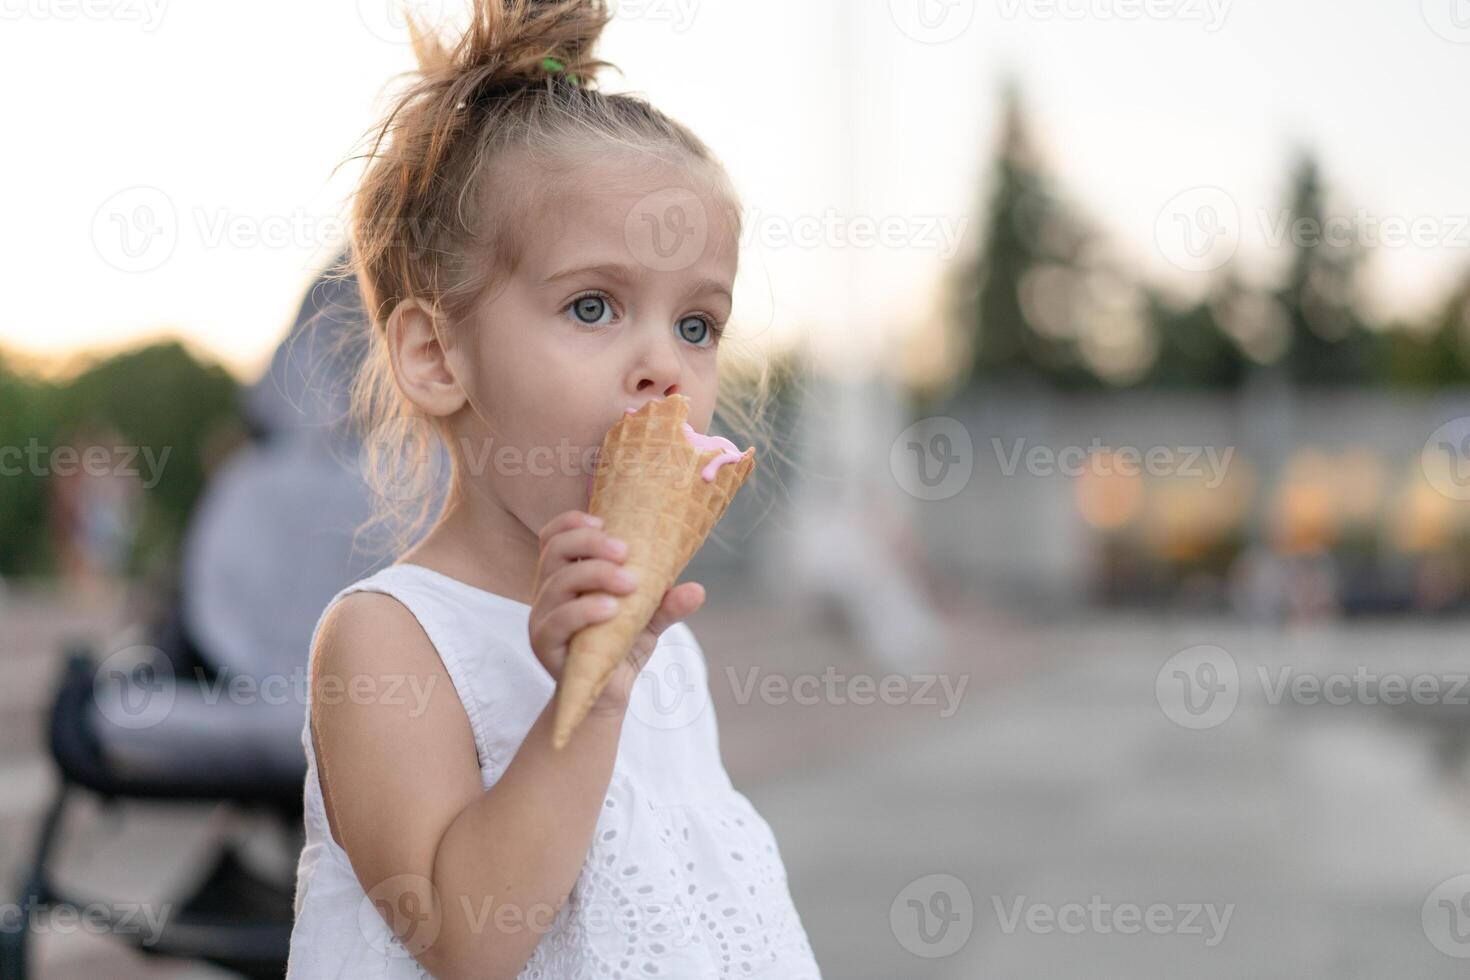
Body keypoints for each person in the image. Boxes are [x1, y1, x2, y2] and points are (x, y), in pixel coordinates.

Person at [286, 2, 821, 977]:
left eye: (698, 323)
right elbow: (468, 938)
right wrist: (594, 696)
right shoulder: (388, 637)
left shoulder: (669, 649)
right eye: (592, 304)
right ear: (437, 353)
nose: (664, 362)